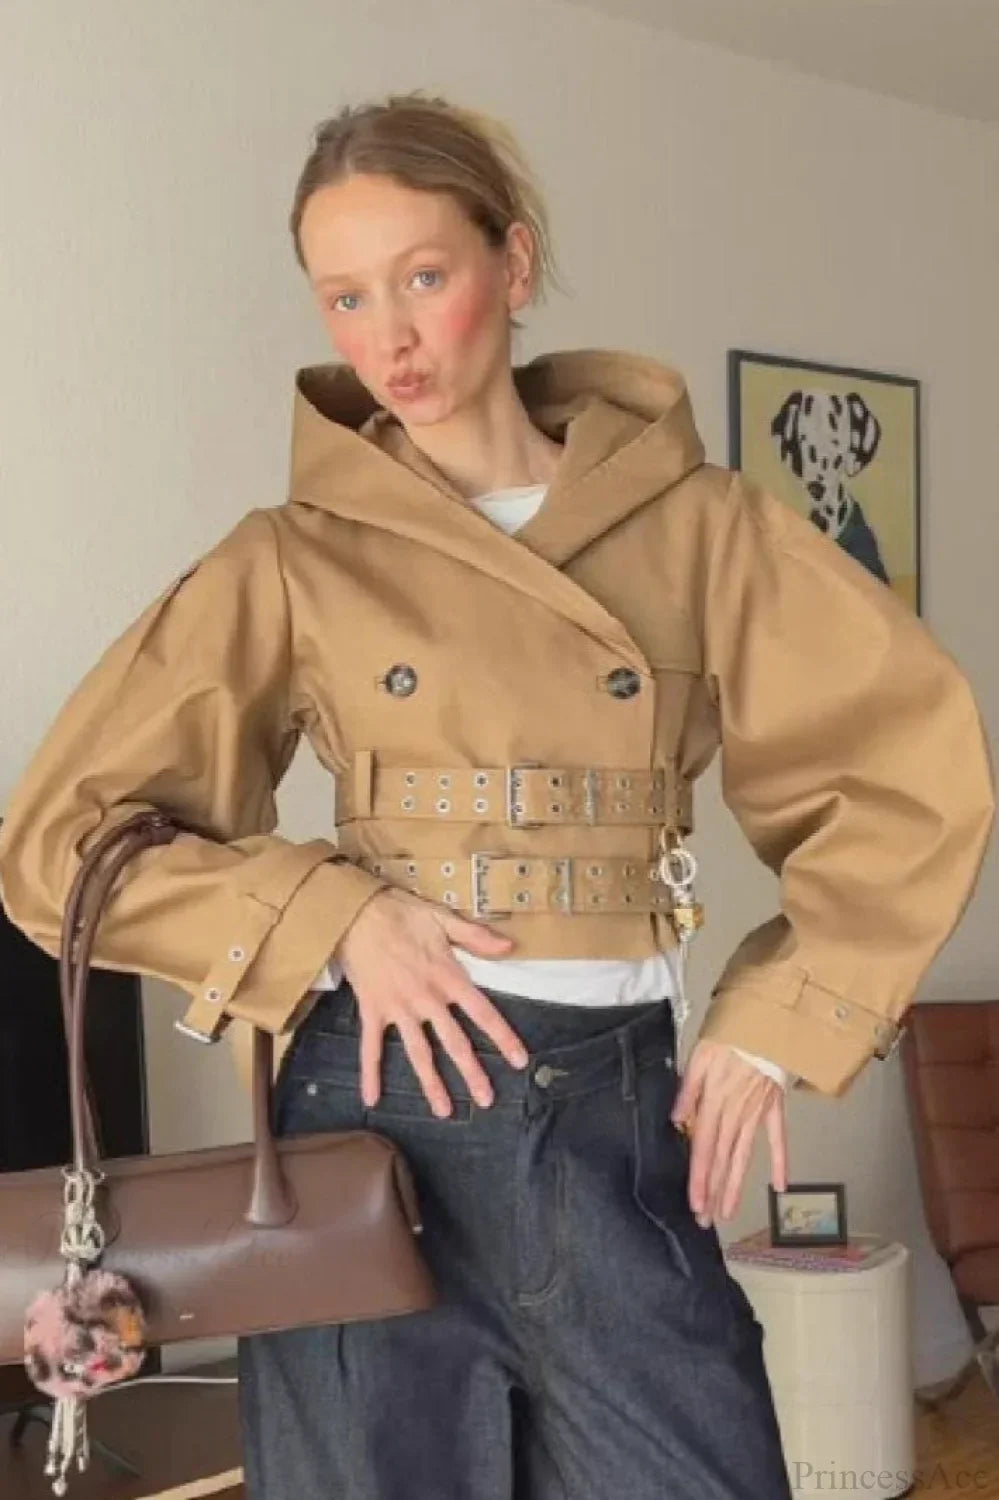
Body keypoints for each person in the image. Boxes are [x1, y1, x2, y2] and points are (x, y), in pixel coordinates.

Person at [0, 89, 993, 1499]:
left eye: (423, 277)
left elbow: (903, 764)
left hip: (617, 1108)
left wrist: (783, 1018)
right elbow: (60, 843)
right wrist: (332, 916)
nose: (389, 337)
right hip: (373, 1112)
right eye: (346, 296)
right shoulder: (291, 557)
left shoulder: (701, 526)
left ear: (513, 264)